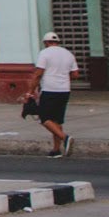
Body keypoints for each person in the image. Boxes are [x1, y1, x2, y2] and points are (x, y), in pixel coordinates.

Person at [29, 29, 79, 159]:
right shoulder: (68, 54)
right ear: (57, 42)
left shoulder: (44, 53)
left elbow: (38, 74)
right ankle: (56, 150)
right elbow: (75, 74)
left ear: (46, 42)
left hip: (50, 90)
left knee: (44, 118)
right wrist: (62, 77)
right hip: (65, 90)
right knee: (56, 120)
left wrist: (30, 91)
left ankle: (65, 138)